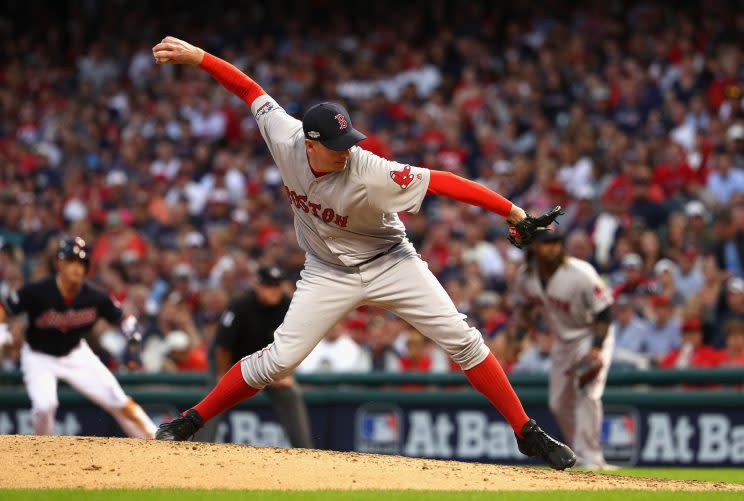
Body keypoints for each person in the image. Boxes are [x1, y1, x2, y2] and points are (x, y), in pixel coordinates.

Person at [151, 36, 575, 470]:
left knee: (463, 341)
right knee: (278, 360)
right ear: (310, 143)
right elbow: (248, 89)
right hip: (326, 272)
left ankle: (526, 431)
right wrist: (199, 57)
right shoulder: (284, 134)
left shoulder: (370, 170)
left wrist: (513, 211)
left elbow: (445, 181)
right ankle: (191, 420)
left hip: (391, 261)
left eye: (348, 138)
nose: (347, 148)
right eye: (336, 143)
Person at [0, 237, 156, 438]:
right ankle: (41, 452)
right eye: (70, 261)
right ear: (59, 263)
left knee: (118, 400)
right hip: (39, 355)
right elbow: (5, 308)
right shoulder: (38, 291)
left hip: (75, 354)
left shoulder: (95, 296)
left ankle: (157, 440)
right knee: (44, 406)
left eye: (80, 262)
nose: (76, 267)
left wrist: (133, 346)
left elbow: (125, 320)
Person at [513, 231, 615, 470]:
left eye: (557, 243)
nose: (554, 248)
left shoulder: (581, 273)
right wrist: (518, 338)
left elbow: (604, 312)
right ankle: (578, 453)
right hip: (562, 341)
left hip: (589, 335)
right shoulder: (526, 277)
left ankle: (591, 457)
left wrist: (597, 348)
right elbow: (526, 308)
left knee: (588, 393)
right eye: (547, 244)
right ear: (534, 248)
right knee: (558, 403)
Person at [201, 266, 313, 448]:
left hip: (266, 363)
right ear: (257, 286)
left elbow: (297, 345)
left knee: (291, 394)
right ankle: (199, 447)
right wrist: (223, 376)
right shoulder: (241, 306)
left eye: (276, 285)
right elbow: (222, 347)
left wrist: (286, 374)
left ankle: (305, 450)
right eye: (268, 285)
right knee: (215, 396)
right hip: (230, 361)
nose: (273, 290)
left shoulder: (289, 305)